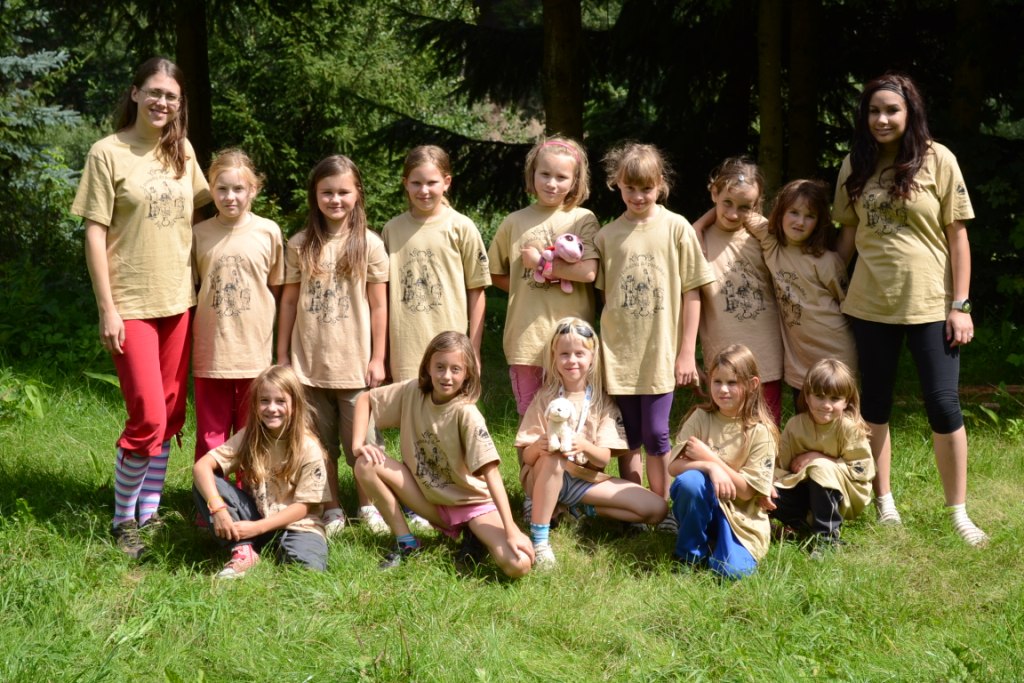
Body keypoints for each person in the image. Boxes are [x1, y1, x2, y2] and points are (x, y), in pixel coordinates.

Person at [834, 73, 988, 546]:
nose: (881, 119)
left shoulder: (939, 159)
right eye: (874, 111)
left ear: (909, 112)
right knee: (875, 406)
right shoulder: (855, 164)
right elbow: (845, 241)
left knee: (944, 404)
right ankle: (885, 503)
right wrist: (820, 289)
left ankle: (958, 512)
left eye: (891, 110)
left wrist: (960, 305)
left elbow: (958, 239)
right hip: (869, 306)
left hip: (932, 306)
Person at [73, 57, 212, 558]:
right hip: (130, 303)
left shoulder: (182, 152)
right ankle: (121, 519)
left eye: (171, 96)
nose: (162, 102)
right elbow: (94, 232)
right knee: (148, 416)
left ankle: (149, 512)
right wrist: (106, 308)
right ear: (134, 93)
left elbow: (198, 220)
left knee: (171, 414)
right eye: (154, 92)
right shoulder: (107, 152)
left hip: (178, 301)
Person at [596, 142, 714, 528]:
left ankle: (662, 509)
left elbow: (692, 293)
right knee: (628, 435)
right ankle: (635, 510)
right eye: (630, 188)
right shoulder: (607, 236)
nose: (638, 196)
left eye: (646, 188)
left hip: (661, 351)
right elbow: (606, 298)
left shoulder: (677, 228)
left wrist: (687, 352)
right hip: (619, 353)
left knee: (656, 432)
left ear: (660, 184)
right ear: (617, 184)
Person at [352, 332, 534, 576]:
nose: (446, 376)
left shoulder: (467, 414)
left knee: (519, 564)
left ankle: (474, 535)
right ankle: (407, 543)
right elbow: (365, 400)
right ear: (428, 366)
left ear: (467, 373)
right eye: (440, 367)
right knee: (364, 464)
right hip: (431, 501)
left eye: (455, 369)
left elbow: (492, 474)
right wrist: (357, 444)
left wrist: (511, 529)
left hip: (473, 505)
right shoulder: (412, 391)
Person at [277, 155, 389, 536]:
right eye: (327, 192)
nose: (335, 199)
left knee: (363, 444)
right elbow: (289, 302)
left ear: (357, 194)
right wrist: (282, 355)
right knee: (319, 445)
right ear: (315, 195)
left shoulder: (370, 244)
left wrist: (379, 357)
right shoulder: (300, 244)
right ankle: (332, 507)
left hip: (356, 366)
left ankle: (368, 505)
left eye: (343, 192)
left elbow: (379, 305)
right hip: (308, 366)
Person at [515, 318, 668, 568]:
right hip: (542, 476)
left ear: (592, 357)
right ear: (554, 358)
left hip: (583, 480)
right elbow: (527, 458)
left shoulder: (602, 401)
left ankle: (578, 508)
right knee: (553, 458)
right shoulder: (545, 397)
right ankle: (540, 541)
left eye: (579, 354)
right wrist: (538, 447)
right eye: (564, 354)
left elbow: (603, 458)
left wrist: (584, 446)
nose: (572, 360)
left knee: (656, 509)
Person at [488, 135, 600, 420]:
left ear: (575, 181)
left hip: (573, 341)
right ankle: (532, 453)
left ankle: (569, 454)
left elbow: (588, 272)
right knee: (531, 417)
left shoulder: (583, 219)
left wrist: (542, 265)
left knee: (573, 415)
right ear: (532, 174)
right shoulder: (513, 222)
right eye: (545, 174)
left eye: (562, 177)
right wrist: (525, 288)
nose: (552, 183)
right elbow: (495, 273)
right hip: (526, 339)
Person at [191, 148, 284, 463]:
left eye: (238, 189)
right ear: (211, 189)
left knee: (252, 430)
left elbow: (276, 288)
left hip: (253, 352)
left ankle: (249, 490)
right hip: (211, 352)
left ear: (253, 190)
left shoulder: (268, 232)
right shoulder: (199, 235)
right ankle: (210, 492)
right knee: (211, 433)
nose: (230, 197)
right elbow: (193, 289)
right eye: (222, 189)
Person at [193, 365, 330, 578]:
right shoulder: (250, 436)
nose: (271, 408)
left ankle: (280, 548)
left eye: (280, 401)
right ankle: (244, 550)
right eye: (264, 401)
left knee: (308, 572)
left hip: (299, 525)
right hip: (256, 515)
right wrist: (217, 508)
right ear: (255, 405)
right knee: (206, 482)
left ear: (295, 404)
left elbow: (303, 507)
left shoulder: (309, 447)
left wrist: (257, 528)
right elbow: (201, 467)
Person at [667, 344, 778, 579]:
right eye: (717, 381)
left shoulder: (761, 432)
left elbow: (746, 492)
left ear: (752, 384)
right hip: (704, 501)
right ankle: (688, 554)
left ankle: (716, 544)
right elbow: (674, 467)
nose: (723, 389)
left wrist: (711, 458)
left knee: (732, 573)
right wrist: (708, 467)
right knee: (690, 481)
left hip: (740, 518)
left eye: (732, 382)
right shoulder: (700, 417)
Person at [746, 179, 857, 410]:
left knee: (838, 418)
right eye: (794, 212)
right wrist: (699, 227)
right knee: (805, 417)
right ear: (780, 212)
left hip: (835, 352)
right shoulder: (772, 245)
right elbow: (741, 210)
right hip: (799, 357)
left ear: (819, 222)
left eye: (810, 216)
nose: (800, 222)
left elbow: (846, 302)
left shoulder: (826, 261)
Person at [382, 145, 490, 380]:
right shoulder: (392, 230)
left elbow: (477, 290)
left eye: (432, 182)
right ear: (405, 183)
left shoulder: (462, 227)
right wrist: (383, 355)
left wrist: (473, 350)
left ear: (447, 182)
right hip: (405, 352)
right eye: (416, 183)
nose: (424, 190)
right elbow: (383, 295)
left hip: (452, 350)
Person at [695, 157, 784, 424]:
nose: (734, 214)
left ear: (756, 205)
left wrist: (703, 220)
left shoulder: (762, 234)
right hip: (722, 359)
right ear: (714, 193)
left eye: (744, 207)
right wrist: (699, 226)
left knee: (766, 427)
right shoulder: (695, 239)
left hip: (765, 355)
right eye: (727, 203)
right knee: (724, 429)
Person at [763, 359, 875, 554]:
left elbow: (861, 470)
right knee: (765, 488)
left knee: (820, 468)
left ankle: (826, 538)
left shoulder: (848, 428)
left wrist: (818, 459)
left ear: (846, 401)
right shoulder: (795, 425)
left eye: (835, 398)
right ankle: (789, 526)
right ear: (807, 397)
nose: (827, 405)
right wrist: (767, 486)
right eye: (819, 396)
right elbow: (781, 467)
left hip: (844, 494)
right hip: (803, 491)